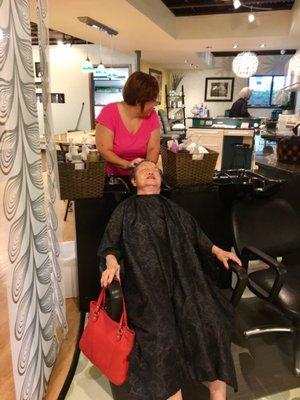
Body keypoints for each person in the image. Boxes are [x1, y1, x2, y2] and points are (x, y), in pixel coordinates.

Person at [99, 160, 242, 400]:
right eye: (144, 170)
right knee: (161, 337)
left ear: (161, 180)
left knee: (211, 324)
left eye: (155, 171)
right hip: (147, 289)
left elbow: (198, 236)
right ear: (134, 182)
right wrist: (112, 264)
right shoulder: (124, 211)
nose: (151, 172)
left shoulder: (173, 209)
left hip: (186, 284)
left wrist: (219, 251)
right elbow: (110, 246)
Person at [95, 71, 161, 179]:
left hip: (140, 177)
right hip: (113, 179)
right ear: (139, 101)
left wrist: (146, 170)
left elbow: (153, 149)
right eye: (153, 101)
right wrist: (128, 164)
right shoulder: (109, 112)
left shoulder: (152, 115)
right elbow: (104, 149)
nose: (154, 105)